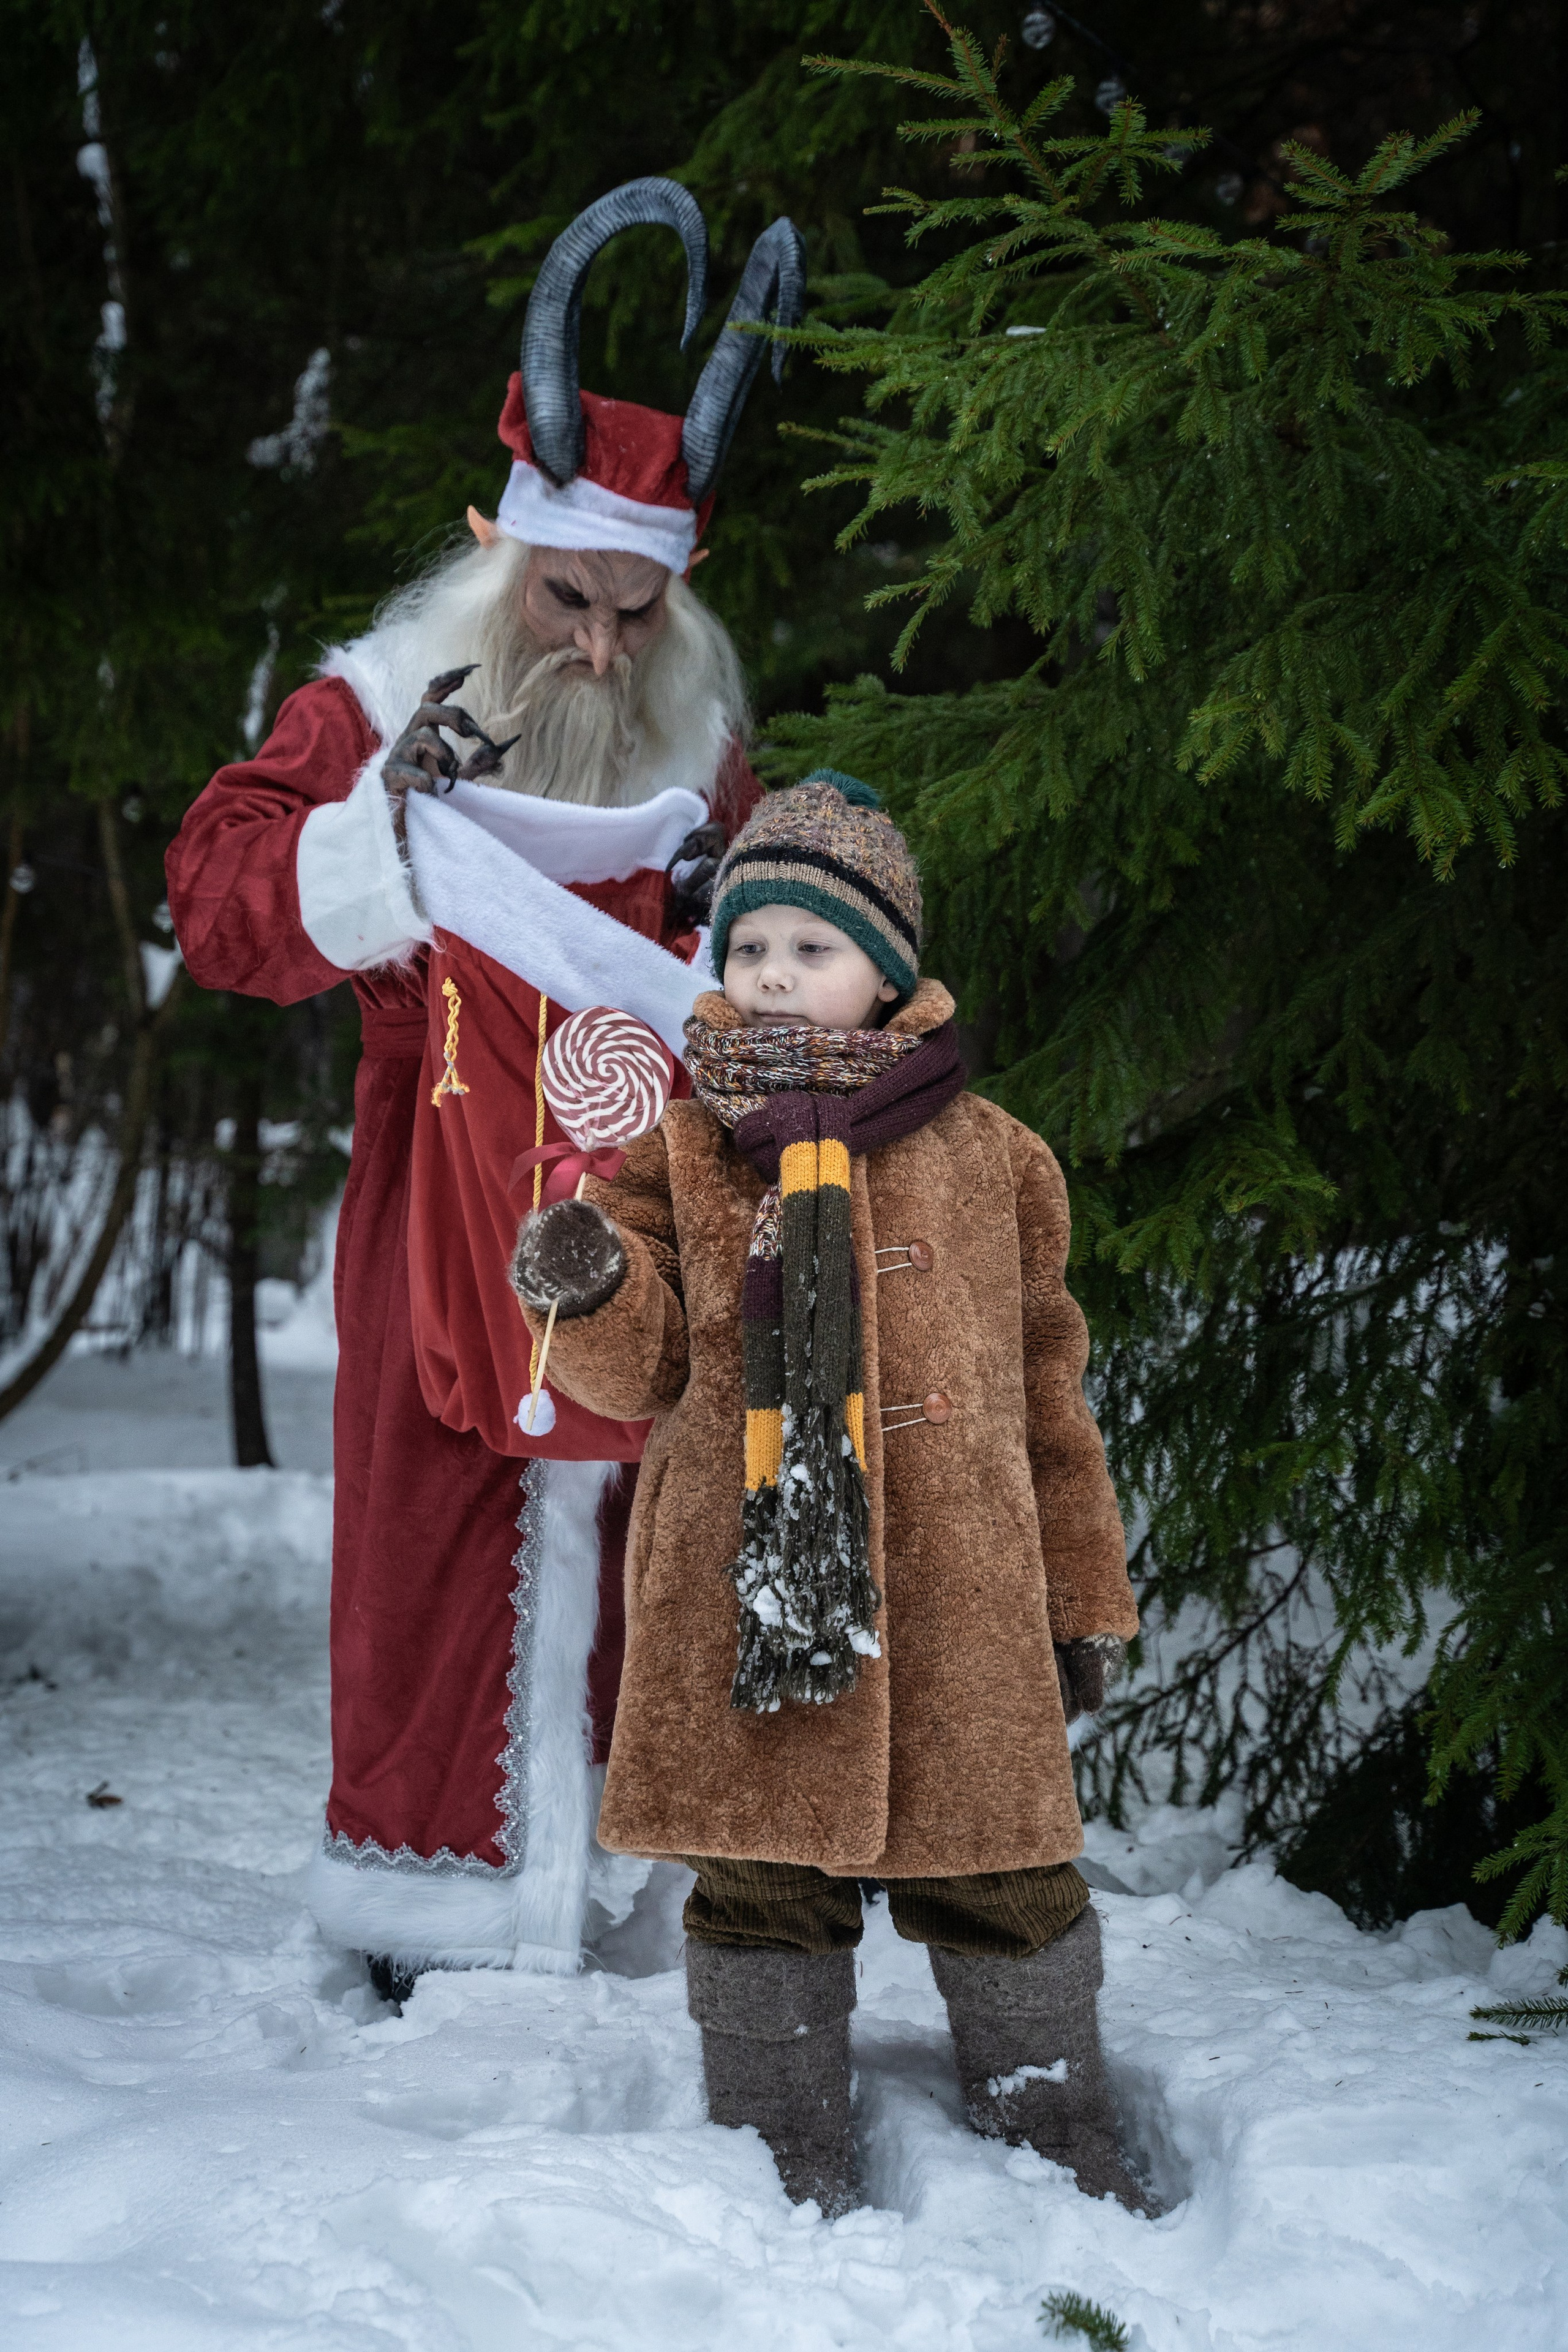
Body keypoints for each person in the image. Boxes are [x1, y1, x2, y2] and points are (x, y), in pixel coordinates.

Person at [164, 181, 804, 1994]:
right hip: (430, 1215)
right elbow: (218, 904)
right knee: (434, 1551)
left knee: (642, 1562)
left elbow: (770, 951)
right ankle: (425, 1921)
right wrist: (377, 834)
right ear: (501, 549)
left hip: (637, 1226)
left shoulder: (702, 741)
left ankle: (619, 1906)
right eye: (568, 599)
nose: (598, 647)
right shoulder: (377, 702)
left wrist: (730, 925)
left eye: (634, 611)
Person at [510, 774, 1144, 2215]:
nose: (773, 974)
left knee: (1010, 1882)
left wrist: (1079, 1592)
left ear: (886, 974)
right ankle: (777, 2153)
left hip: (957, 1603)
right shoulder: (674, 1148)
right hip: (751, 1605)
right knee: (758, 1891)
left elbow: (1051, 1395)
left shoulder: (997, 1159)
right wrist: (590, 1281)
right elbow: (636, 1367)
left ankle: (1056, 2138)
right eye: (747, 949)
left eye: (811, 946)